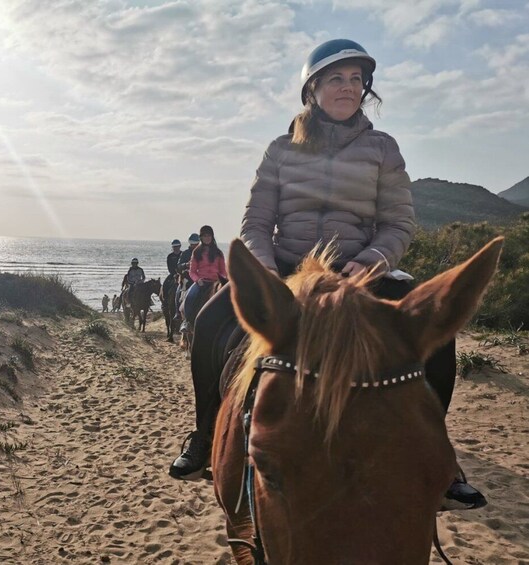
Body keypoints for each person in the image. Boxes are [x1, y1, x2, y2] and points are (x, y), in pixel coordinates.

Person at [168, 38, 484, 511]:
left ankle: (438, 454)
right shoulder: (279, 149)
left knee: (434, 330)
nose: (349, 87)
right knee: (212, 318)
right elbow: (256, 223)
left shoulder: (383, 149)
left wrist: (373, 259)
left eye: (357, 79)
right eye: (337, 78)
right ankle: (203, 432)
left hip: (358, 271)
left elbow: (398, 222)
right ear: (311, 89)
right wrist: (268, 272)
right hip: (288, 267)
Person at [181, 226, 227, 331]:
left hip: (216, 282)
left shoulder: (218, 253)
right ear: (201, 237)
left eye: (209, 235)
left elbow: (223, 271)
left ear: (212, 236)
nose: (207, 238)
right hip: (202, 282)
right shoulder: (197, 252)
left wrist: (222, 279)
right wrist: (198, 280)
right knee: (189, 297)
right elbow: (192, 271)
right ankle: (187, 322)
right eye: (205, 236)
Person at [174, 233, 200, 320]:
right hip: (187, 278)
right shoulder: (185, 253)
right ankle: (178, 313)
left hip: (200, 278)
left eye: (196, 244)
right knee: (178, 291)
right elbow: (178, 267)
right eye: (193, 244)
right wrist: (186, 265)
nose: (194, 246)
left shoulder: (202, 253)